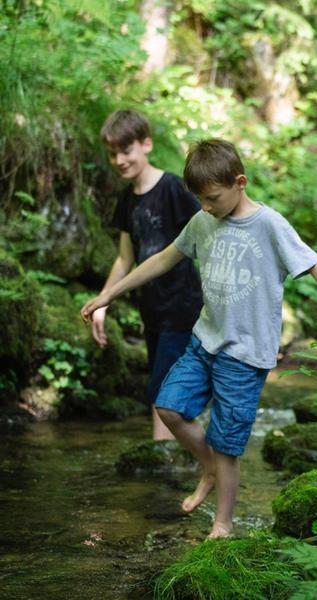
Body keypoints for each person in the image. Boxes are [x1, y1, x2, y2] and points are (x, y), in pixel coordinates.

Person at [81, 139, 317, 538]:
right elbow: (162, 259)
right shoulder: (202, 221)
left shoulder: (269, 224)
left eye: (212, 198)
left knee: (228, 443)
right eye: (200, 199)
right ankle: (207, 467)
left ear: (239, 182)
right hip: (203, 341)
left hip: (245, 355)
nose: (206, 206)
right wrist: (110, 292)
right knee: (168, 406)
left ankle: (223, 525)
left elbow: (313, 262)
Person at [93, 109, 203, 441]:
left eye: (126, 151)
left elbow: (207, 235)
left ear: (146, 145)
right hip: (151, 310)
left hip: (181, 307)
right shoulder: (127, 200)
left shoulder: (173, 188)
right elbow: (125, 259)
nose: (119, 160)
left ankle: (166, 460)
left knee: (162, 392)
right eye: (113, 154)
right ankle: (185, 459)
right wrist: (103, 301)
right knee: (163, 389)